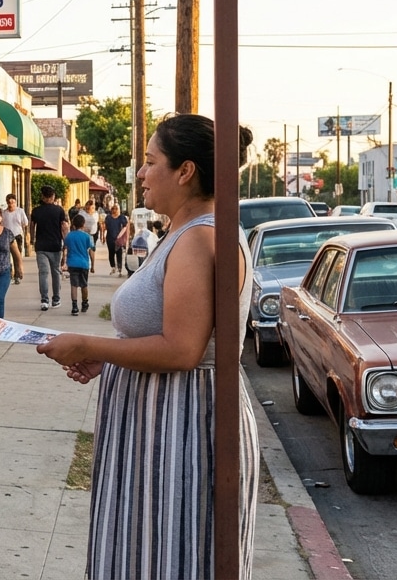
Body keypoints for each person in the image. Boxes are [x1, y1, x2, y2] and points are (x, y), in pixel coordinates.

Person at [37, 115, 259, 579]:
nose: (140, 174)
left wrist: (85, 341)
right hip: (157, 421)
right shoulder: (186, 231)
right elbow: (167, 334)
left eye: (151, 162)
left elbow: (182, 350)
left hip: (181, 425)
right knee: (147, 554)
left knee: (171, 557)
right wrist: (108, 356)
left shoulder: (200, 237)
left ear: (185, 171)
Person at [28, 186, 69, 311]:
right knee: (56, 272)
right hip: (55, 245)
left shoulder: (36, 211)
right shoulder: (59, 210)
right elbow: (64, 227)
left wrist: (31, 240)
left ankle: (44, 300)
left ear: (42, 196)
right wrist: (66, 243)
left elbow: (32, 226)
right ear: (53, 197)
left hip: (41, 246)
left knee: (43, 273)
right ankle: (56, 299)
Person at [63, 212, 94, 315]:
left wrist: (63, 261)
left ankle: (74, 306)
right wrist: (92, 264)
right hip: (84, 263)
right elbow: (90, 250)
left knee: (74, 285)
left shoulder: (69, 236)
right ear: (83, 224)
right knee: (84, 285)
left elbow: (65, 249)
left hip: (72, 263)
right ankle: (85, 303)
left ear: (73, 224)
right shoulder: (86, 237)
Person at [1, 193, 29, 283]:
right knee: (6, 256)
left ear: (15, 202)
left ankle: (17, 275)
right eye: (9, 202)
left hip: (17, 236)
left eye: (13, 202)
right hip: (6, 237)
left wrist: (26, 234)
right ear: (7, 203)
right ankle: (8, 275)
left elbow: (25, 223)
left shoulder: (20, 211)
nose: (11, 204)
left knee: (17, 256)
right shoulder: (4, 213)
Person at [103, 203, 130, 276]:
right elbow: (106, 227)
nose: (115, 210)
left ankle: (120, 269)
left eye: (116, 208)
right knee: (111, 253)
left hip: (119, 238)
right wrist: (103, 235)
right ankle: (113, 267)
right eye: (114, 208)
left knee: (119, 253)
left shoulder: (122, 217)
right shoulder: (108, 218)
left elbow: (125, 227)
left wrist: (120, 235)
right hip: (110, 237)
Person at [80, 199, 100, 272]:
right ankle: (86, 264)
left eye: (91, 207)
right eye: (88, 207)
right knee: (85, 249)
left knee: (92, 249)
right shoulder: (82, 213)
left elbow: (97, 222)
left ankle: (92, 266)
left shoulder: (95, 214)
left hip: (92, 234)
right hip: (83, 233)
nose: (89, 209)